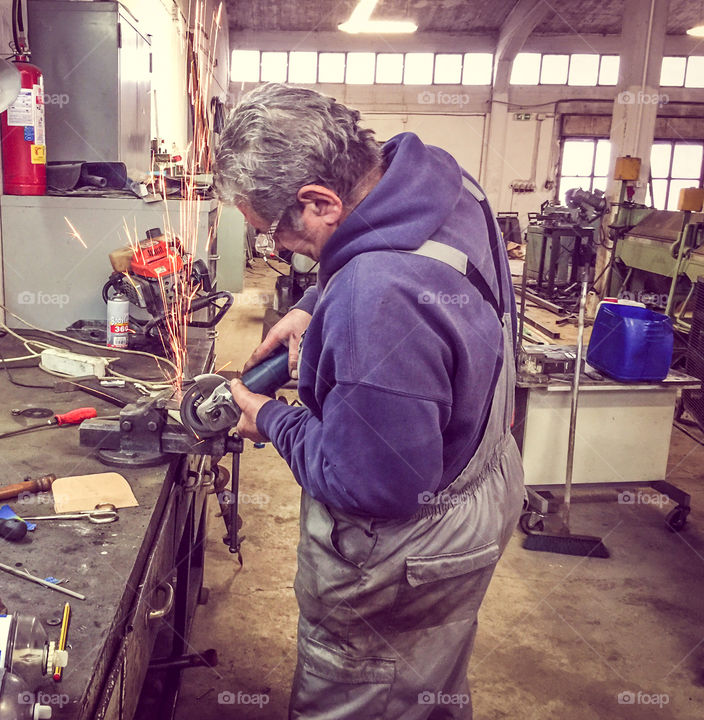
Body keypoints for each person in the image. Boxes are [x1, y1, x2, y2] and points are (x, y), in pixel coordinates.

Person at [213, 83, 525, 719]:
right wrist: (312, 308)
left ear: (321, 201)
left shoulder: (376, 294)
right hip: (481, 486)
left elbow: (373, 485)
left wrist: (268, 417)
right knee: (421, 681)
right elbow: (380, 242)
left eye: (275, 233)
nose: (276, 252)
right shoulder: (442, 179)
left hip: (406, 549)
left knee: (367, 686)